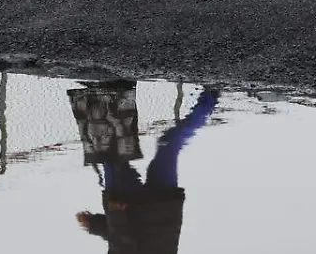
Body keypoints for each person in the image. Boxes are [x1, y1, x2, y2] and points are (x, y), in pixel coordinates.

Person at [76, 87, 219, 254]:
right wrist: (114, 216)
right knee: (111, 155)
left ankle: (211, 97)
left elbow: (123, 240)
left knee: (168, 145)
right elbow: (123, 243)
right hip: (131, 204)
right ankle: (107, 91)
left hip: (163, 208)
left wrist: (95, 226)